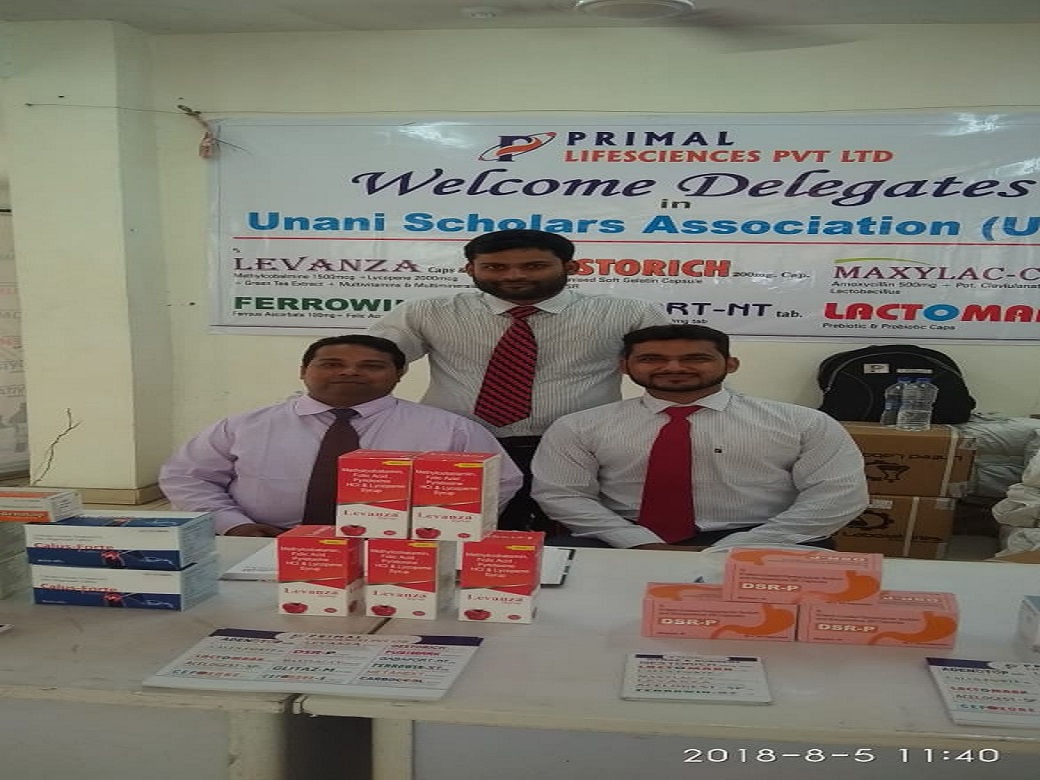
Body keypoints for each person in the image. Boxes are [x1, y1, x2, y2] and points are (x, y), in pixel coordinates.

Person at [369, 229, 670, 532]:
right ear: (470, 269)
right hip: (460, 448)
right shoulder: (424, 313)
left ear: (570, 267)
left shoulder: (629, 313)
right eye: (495, 267)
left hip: (581, 450)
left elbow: (673, 370)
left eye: (534, 266)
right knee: (453, 535)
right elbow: (368, 363)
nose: (514, 276)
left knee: (577, 538)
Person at [531, 324, 869, 550]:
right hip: (620, 537)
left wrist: (744, 545)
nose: (674, 368)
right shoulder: (579, 426)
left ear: (731, 364)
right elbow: (562, 495)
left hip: (764, 537)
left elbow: (838, 495)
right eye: (652, 359)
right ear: (624, 366)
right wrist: (637, 541)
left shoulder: (803, 422)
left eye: (696, 358)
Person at [160, 335, 523, 536]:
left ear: (399, 374)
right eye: (331, 364)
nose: (350, 373)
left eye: (371, 366)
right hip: (264, 542)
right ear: (304, 371)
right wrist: (234, 525)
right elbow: (187, 476)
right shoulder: (245, 425)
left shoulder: (449, 429)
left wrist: (435, 531)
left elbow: (500, 482)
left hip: (400, 551)